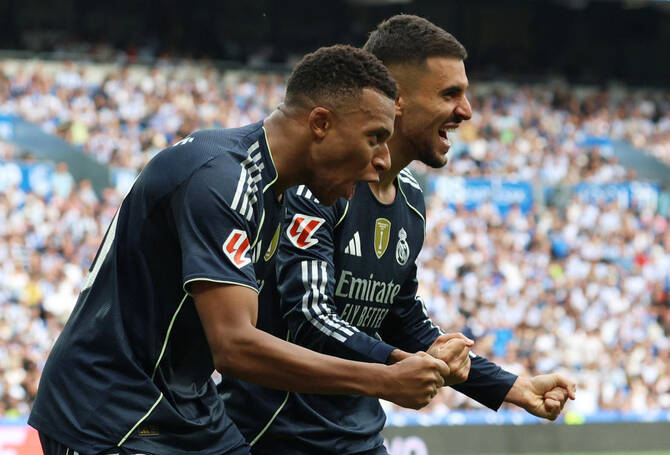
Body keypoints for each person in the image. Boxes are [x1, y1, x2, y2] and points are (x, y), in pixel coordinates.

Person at [29, 45, 451, 455]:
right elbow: (235, 346)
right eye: (375, 138)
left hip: (188, 408)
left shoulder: (276, 189)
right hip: (108, 410)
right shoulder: (221, 177)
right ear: (321, 123)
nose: (383, 159)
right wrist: (382, 379)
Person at [221, 16, 576, 455]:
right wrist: (400, 367)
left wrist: (512, 387)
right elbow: (310, 317)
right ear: (397, 99)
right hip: (276, 437)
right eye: (450, 94)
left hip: (361, 436)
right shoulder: (319, 185)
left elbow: (402, 318)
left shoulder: (410, 198)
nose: (466, 111)